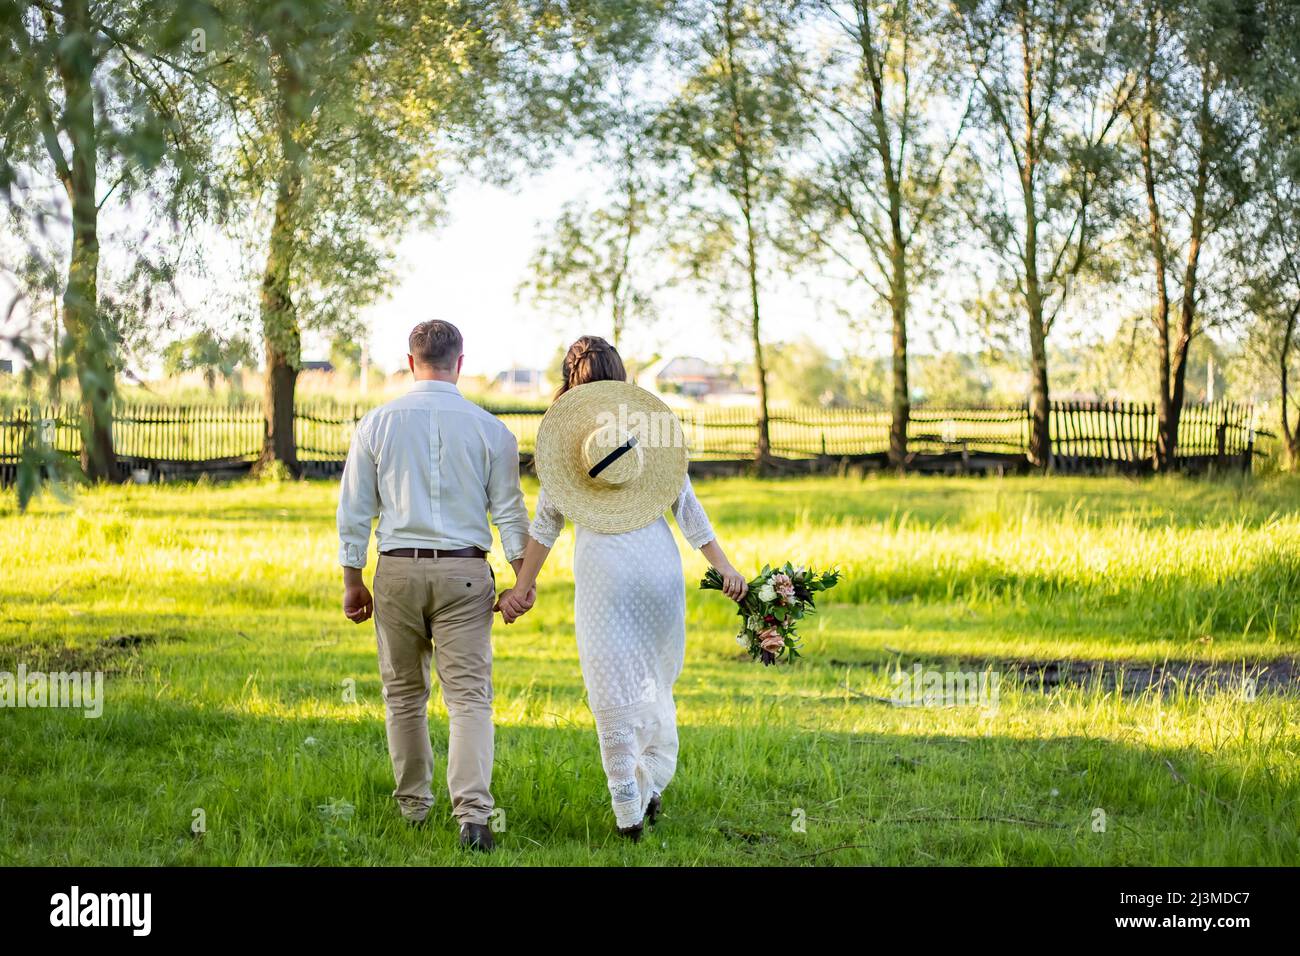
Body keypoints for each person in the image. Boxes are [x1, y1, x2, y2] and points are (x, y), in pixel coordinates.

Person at [497, 336, 748, 841]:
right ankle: (650, 781)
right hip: (658, 568)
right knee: (653, 680)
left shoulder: (572, 442)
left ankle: (628, 812)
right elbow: (688, 509)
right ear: (622, 376)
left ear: (571, 383)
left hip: (605, 574)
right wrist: (725, 568)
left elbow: (545, 525)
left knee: (611, 687)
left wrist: (523, 587)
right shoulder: (649, 432)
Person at [336, 319, 533, 852]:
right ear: (460, 362)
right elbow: (512, 514)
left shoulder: (376, 425)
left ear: (410, 359)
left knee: (403, 695)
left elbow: (354, 511)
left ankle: (414, 810)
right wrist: (522, 576)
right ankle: (472, 818)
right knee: (469, 699)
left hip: (397, 571)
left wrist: (353, 582)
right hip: (466, 574)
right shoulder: (492, 430)